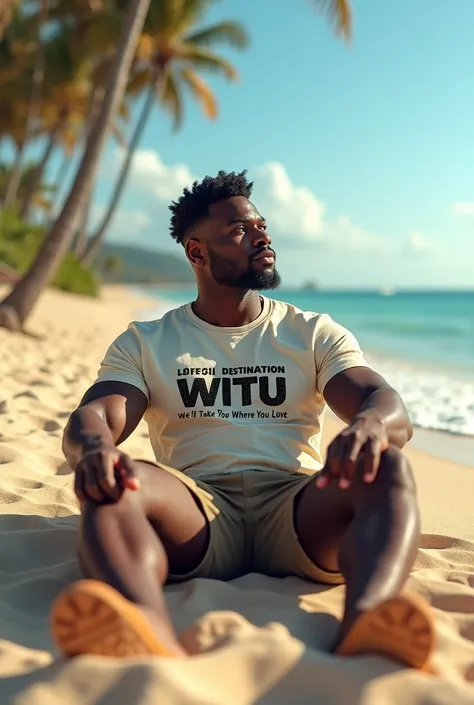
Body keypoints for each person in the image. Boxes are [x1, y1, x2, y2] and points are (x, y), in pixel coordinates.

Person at [51, 170, 434, 670]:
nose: (261, 235)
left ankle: (369, 619)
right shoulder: (147, 341)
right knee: (114, 483)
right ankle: (146, 628)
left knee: (390, 468)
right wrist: (97, 450)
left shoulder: (310, 331)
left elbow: (383, 401)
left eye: (262, 226)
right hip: (197, 513)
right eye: (239, 230)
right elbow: (98, 413)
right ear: (197, 253)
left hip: (298, 509)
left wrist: (370, 427)